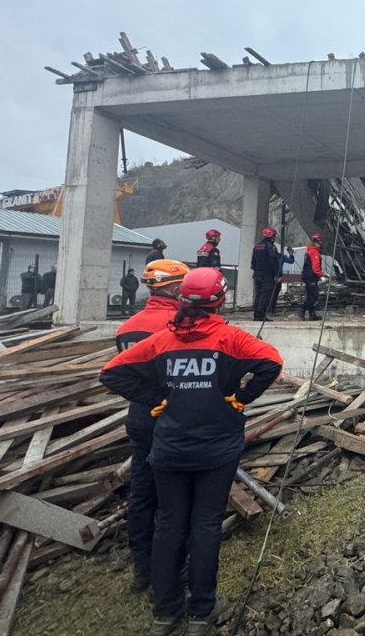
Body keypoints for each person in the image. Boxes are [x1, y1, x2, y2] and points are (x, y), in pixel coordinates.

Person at [99, 268, 283, 636]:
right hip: (218, 449)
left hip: (169, 449)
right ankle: (200, 613)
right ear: (220, 300)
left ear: (182, 298)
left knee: (169, 525)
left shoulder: (162, 341)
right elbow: (271, 362)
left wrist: (156, 398)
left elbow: (112, 373)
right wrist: (242, 398)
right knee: (205, 525)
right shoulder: (230, 338)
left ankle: (165, 613)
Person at [113, 259, 191, 596]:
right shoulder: (179, 324)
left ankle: (142, 570)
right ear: (174, 287)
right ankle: (174, 570)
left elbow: (121, 375)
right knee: (176, 497)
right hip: (176, 419)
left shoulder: (126, 329)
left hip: (141, 417)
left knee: (142, 494)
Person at [250, 227, 280, 321]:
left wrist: (256, 270)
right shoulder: (270, 246)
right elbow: (274, 261)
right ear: (272, 236)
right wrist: (277, 274)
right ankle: (261, 315)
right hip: (267, 275)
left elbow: (253, 262)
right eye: (274, 236)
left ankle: (256, 314)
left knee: (258, 294)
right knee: (265, 295)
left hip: (257, 274)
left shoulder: (257, 246)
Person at [300, 232, 329, 321]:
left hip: (308, 275)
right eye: (321, 241)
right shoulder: (315, 252)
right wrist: (321, 276)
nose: (322, 243)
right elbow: (315, 267)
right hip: (311, 276)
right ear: (318, 241)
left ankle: (312, 314)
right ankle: (302, 310)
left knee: (310, 295)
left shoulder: (309, 251)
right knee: (313, 296)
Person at [269, 244, 295, 315]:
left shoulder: (279, 256)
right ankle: (271, 309)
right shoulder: (280, 256)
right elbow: (291, 261)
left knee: (273, 293)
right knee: (273, 294)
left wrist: (291, 254)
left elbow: (291, 261)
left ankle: (271, 309)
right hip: (274, 276)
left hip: (274, 276)